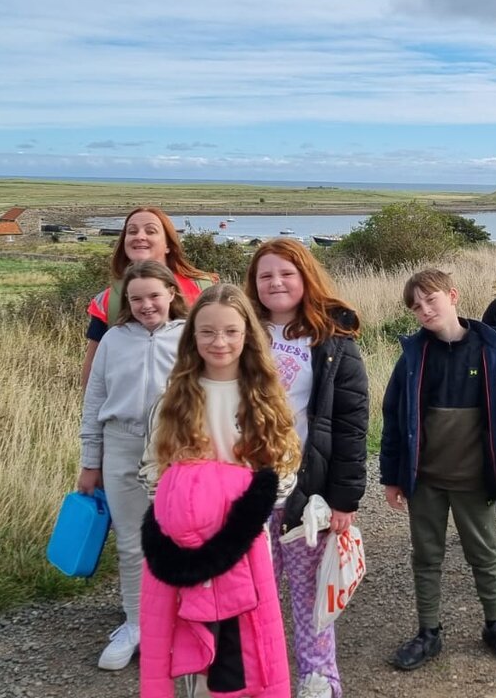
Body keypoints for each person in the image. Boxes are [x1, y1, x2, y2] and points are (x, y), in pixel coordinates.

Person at [138, 284, 301, 698]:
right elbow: (152, 474)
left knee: (248, 657)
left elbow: (283, 473)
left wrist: (228, 499)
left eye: (230, 331)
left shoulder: (265, 397)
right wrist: (187, 508)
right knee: (196, 650)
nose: (219, 342)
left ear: (247, 334)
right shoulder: (172, 399)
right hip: (189, 548)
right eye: (207, 332)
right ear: (192, 336)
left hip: (244, 546)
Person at [380, 269, 496, 671]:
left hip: (475, 481)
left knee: (484, 556)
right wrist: (392, 478)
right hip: (425, 481)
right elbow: (394, 418)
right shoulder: (413, 355)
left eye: (431, 299)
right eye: (416, 306)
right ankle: (428, 633)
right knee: (426, 557)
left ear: (453, 295)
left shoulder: (492, 349)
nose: (425, 310)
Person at [244, 238, 369, 698]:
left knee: (309, 590)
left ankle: (318, 675)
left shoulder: (333, 340)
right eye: (265, 275)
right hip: (248, 486)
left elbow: (353, 425)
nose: (276, 282)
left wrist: (343, 499)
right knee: (254, 591)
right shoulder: (240, 331)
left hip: (306, 490)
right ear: (253, 285)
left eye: (286, 273)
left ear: (305, 278)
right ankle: (261, 673)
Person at [77, 260, 188, 670]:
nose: (146, 305)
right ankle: (136, 623)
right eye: (136, 298)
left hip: (175, 448)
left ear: (172, 294)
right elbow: (93, 404)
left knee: (176, 538)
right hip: (120, 445)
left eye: (155, 295)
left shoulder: (189, 338)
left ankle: (177, 622)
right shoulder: (113, 340)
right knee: (130, 541)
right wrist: (91, 462)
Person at [82, 206, 215, 388]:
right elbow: (93, 372)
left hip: (191, 409)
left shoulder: (203, 290)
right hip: (128, 413)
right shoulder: (108, 300)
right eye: (132, 231)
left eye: (150, 231)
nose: (139, 236)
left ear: (168, 245)